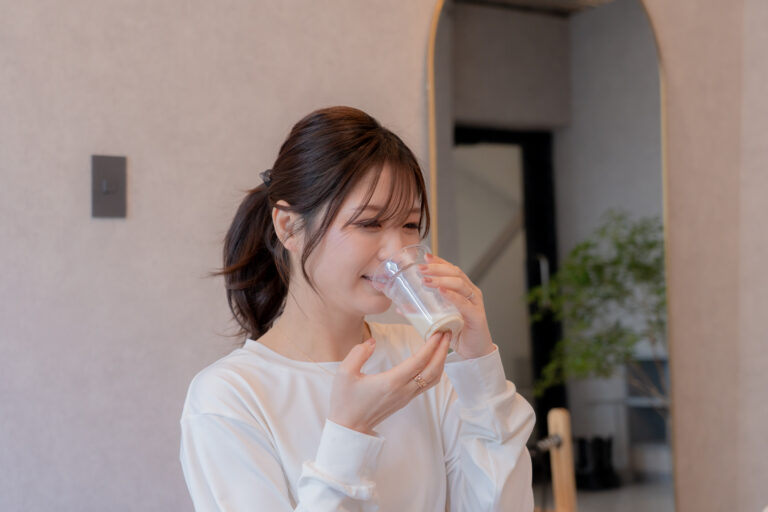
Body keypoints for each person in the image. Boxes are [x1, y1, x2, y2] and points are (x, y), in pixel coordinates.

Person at [179, 106, 536, 511]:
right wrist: (350, 431)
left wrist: (479, 367)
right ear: (289, 227)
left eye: (409, 225)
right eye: (369, 224)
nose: (397, 251)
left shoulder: (424, 359)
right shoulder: (227, 398)